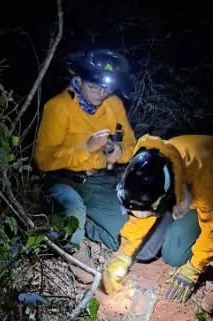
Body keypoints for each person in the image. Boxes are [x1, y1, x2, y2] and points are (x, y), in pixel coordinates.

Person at [102, 134, 213, 315]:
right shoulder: (146, 166)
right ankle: (186, 214)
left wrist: (194, 268)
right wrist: (124, 253)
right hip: (187, 188)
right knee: (174, 255)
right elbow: (142, 209)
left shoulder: (204, 182)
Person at [33, 48, 136, 284]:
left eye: (107, 88)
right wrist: (85, 148)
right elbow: (42, 159)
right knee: (73, 207)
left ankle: (86, 224)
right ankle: (74, 250)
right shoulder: (57, 107)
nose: (101, 93)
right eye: (94, 87)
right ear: (79, 78)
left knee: (122, 237)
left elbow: (131, 146)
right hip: (62, 178)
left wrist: (118, 152)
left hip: (97, 180)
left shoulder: (114, 105)